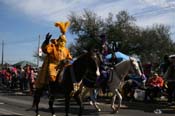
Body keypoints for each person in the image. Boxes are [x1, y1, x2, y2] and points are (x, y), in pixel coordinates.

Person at [35, 21, 72, 90]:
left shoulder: (66, 50)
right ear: (58, 40)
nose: (62, 42)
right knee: (52, 76)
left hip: (63, 66)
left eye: (64, 41)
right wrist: (46, 42)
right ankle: (50, 88)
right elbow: (45, 50)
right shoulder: (53, 46)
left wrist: (67, 60)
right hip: (53, 66)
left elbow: (69, 58)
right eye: (61, 40)